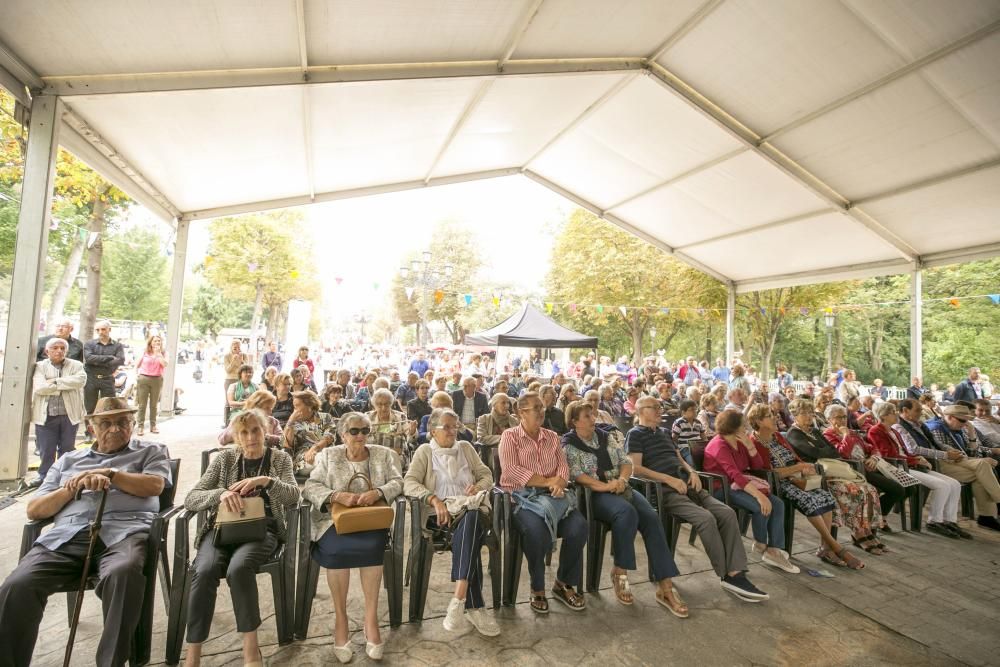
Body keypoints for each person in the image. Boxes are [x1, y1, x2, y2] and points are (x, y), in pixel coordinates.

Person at [0, 397, 170, 667]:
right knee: (17, 585)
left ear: (133, 424)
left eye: (122, 422)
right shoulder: (69, 460)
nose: (115, 429)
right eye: (106, 423)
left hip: (125, 534)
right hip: (67, 538)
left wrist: (111, 473)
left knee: (123, 573)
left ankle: (111, 663)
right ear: (92, 427)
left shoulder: (151, 451)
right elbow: (35, 510)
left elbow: (155, 486)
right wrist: (71, 488)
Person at [182, 409, 299, 667]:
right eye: (244, 432)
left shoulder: (279, 459)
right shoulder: (224, 460)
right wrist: (221, 494)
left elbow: (294, 497)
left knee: (239, 567)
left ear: (264, 431)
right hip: (221, 529)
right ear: (236, 436)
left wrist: (267, 481)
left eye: (255, 430)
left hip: (262, 530)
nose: (250, 437)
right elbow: (191, 497)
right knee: (204, 569)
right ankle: (193, 653)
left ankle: (251, 649)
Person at [625, 396, 766, 601]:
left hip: (688, 484)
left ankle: (736, 572)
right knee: (705, 518)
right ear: (639, 412)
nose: (659, 410)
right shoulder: (635, 434)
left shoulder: (664, 432)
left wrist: (691, 471)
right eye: (653, 407)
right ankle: (727, 574)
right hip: (665, 490)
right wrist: (669, 480)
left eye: (659, 406)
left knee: (726, 513)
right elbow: (634, 468)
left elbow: (678, 456)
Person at [564, 400, 688, 616]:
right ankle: (619, 572)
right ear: (574, 421)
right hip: (594, 494)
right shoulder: (568, 443)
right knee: (626, 512)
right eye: (587, 416)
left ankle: (665, 587)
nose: (594, 419)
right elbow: (576, 474)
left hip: (620, 487)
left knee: (650, 517)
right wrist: (605, 485)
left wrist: (621, 479)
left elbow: (626, 461)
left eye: (593, 415)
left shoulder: (605, 436)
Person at [303, 412, 403, 662]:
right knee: (336, 551)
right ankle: (341, 619)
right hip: (334, 522)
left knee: (372, 548)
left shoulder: (382, 454)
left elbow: (398, 482)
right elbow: (310, 487)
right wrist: (337, 496)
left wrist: (378, 492)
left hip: (371, 519)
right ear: (343, 435)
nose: (361, 436)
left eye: (365, 431)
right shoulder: (328, 455)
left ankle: (371, 620)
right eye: (354, 431)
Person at [403, 408, 500, 636]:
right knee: (472, 530)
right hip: (442, 519)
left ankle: (459, 597)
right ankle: (474, 606)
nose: (452, 431)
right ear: (432, 431)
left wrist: (477, 487)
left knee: (473, 517)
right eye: (446, 427)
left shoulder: (466, 448)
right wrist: (433, 499)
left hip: (471, 509)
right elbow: (409, 482)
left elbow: (487, 475)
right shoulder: (425, 451)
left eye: (454, 426)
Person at [498, 392, 587, 614]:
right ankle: (538, 587)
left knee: (579, 527)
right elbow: (512, 470)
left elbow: (563, 466)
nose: (541, 411)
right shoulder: (510, 437)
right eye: (536, 408)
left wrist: (559, 480)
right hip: (524, 499)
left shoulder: (552, 436)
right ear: (521, 413)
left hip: (554, 497)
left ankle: (563, 583)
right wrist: (548, 481)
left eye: (542, 407)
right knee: (537, 532)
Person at [748, 404, 867, 568]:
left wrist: (804, 466)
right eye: (769, 415)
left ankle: (826, 548)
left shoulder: (778, 436)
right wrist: (797, 468)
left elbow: (795, 457)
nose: (775, 417)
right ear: (758, 422)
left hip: (797, 479)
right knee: (810, 501)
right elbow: (768, 473)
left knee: (826, 497)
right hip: (779, 483)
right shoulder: (754, 442)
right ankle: (837, 548)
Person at [703, 410, 798, 573]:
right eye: (743, 424)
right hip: (721, 489)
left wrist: (749, 446)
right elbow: (734, 474)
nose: (746, 426)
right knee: (759, 505)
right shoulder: (719, 445)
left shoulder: (738, 441)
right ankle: (761, 543)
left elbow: (757, 466)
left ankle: (774, 549)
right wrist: (759, 495)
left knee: (778, 504)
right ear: (734, 427)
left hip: (739, 485)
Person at [866, 402, 968, 538]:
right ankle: (934, 521)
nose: (896, 414)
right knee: (941, 486)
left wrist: (918, 458)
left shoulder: (894, 430)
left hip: (909, 464)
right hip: (897, 466)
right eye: (892, 412)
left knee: (954, 484)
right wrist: (914, 460)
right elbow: (887, 455)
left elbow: (906, 451)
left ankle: (950, 520)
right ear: (883, 415)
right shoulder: (876, 430)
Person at [824, 404, 902, 534]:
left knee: (900, 487)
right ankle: (872, 525)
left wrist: (874, 458)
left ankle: (874, 522)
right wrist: (845, 435)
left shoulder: (853, 433)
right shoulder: (828, 435)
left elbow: (872, 448)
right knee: (895, 489)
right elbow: (842, 454)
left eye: (844, 417)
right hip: (854, 471)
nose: (843, 420)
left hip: (869, 467)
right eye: (838, 417)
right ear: (829, 420)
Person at [925, 404, 1000, 531]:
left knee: (981, 475)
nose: (965, 423)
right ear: (949, 417)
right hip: (942, 464)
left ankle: (986, 517)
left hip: (961, 463)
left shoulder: (962, 429)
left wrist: (971, 434)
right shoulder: (937, 428)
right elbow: (953, 455)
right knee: (983, 465)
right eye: (962, 420)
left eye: (967, 420)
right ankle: (992, 510)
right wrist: (979, 459)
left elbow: (973, 453)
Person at [29, 338, 88, 487]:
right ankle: (44, 477)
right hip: (46, 415)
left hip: (69, 414)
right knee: (46, 449)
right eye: (55, 348)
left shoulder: (76, 365)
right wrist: (65, 383)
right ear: (47, 351)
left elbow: (80, 381)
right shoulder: (40, 366)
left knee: (67, 449)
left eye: (62, 348)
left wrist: (54, 382)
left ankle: (64, 476)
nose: (59, 351)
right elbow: (40, 388)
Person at [83, 320, 126, 429]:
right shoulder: (89, 344)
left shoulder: (117, 346)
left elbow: (120, 360)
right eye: (98, 330)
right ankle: (89, 431)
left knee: (109, 406)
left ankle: (106, 430)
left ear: (109, 330)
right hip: (91, 379)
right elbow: (89, 359)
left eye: (103, 329)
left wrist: (97, 360)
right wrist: (110, 357)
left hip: (107, 378)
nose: (100, 332)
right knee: (90, 407)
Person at [283, 391, 336, 475]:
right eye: (294, 407)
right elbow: (286, 444)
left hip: (326, 453)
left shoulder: (326, 417)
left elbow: (329, 438)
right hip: (304, 459)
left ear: (310, 405)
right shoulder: (295, 422)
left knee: (327, 457)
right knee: (322, 459)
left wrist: (314, 449)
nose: (295, 410)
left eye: (297, 406)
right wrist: (290, 422)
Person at [218, 390, 283, 448]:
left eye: (271, 408)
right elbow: (222, 440)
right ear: (255, 407)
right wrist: (239, 430)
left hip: (266, 458)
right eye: (267, 408)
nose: (270, 411)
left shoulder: (273, 421)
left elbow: (282, 440)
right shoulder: (239, 420)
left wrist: (266, 437)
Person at [134, 334, 169, 436]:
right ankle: (140, 427)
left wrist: (158, 354)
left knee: (154, 405)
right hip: (144, 378)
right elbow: (137, 365)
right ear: (150, 342)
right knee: (142, 405)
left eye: (159, 341)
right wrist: (136, 375)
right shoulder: (145, 352)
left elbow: (165, 364)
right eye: (155, 341)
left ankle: (153, 425)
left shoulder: (164, 353)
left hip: (157, 379)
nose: (157, 343)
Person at [671, 399, 705, 467]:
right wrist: (677, 451)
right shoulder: (679, 423)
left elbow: (703, 437)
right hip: (685, 448)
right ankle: (694, 474)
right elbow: (674, 438)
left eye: (696, 409)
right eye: (692, 409)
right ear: (683, 412)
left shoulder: (698, 422)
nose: (695, 411)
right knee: (692, 463)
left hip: (697, 447)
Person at [223, 340, 249, 427]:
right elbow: (227, 370)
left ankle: (241, 421)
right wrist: (233, 361)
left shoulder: (244, 355)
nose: (237, 349)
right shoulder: (227, 356)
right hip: (230, 379)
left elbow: (247, 369)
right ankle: (227, 423)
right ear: (231, 347)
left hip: (241, 380)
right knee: (228, 401)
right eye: (235, 347)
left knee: (242, 399)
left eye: (239, 347)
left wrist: (241, 361)